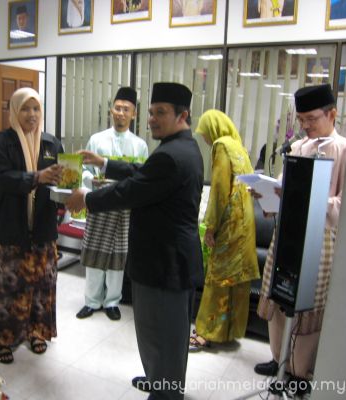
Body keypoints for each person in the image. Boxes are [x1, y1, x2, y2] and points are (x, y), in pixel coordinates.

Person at [66, 82, 204, 400]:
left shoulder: (171, 155)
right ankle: (159, 380)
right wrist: (104, 164)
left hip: (164, 265)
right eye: (151, 112)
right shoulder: (181, 147)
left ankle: (165, 393)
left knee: (162, 337)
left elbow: (131, 190)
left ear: (183, 115)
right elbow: (143, 173)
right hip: (168, 261)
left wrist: (86, 198)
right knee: (162, 337)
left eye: (161, 113)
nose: (152, 119)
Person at [253, 84, 346, 396]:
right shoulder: (298, 148)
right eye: (302, 120)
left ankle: (299, 370)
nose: (305, 126)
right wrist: (266, 195)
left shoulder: (344, 149)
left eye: (311, 119)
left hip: (319, 239)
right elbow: (281, 188)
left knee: (307, 306)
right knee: (279, 296)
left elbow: (343, 203)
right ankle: (278, 358)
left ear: (332, 114)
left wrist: (310, 199)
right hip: (287, 234)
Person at [0, 87, 64, 364]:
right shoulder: (0, 142)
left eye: (36, 108)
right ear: (14, 111)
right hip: (11, 227)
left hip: (43, 226)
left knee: (42, 284)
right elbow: (2, 178)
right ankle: (4, 338)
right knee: (6, 286)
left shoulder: (51, 143)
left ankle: (37, 332)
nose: (32, 114)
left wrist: (72, 188)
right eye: (25, 109)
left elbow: (61, 179)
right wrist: (36, 177)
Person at [76, 87, 148, 321]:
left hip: (124, 208)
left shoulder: (140, 145)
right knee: (94, 254)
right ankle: (91, 301)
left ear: (134, 114)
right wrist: (91, 181)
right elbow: (84, 169)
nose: (121, 113)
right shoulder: (96, 140)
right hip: (100, 203)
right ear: (111, 110)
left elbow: (142, 176)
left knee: (118, 257)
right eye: (117, 108)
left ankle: (112, 302)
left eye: (126, 109)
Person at [189, 110, 259, 351]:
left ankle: (206, 333)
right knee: (235, 280)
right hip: (245, 224)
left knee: (217, 278)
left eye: (205, 133)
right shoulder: (239, 147)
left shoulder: (221, 146)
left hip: (229, 223)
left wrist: (210, 226)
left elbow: (219, 190)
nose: (205, 138)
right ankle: (229, 332)